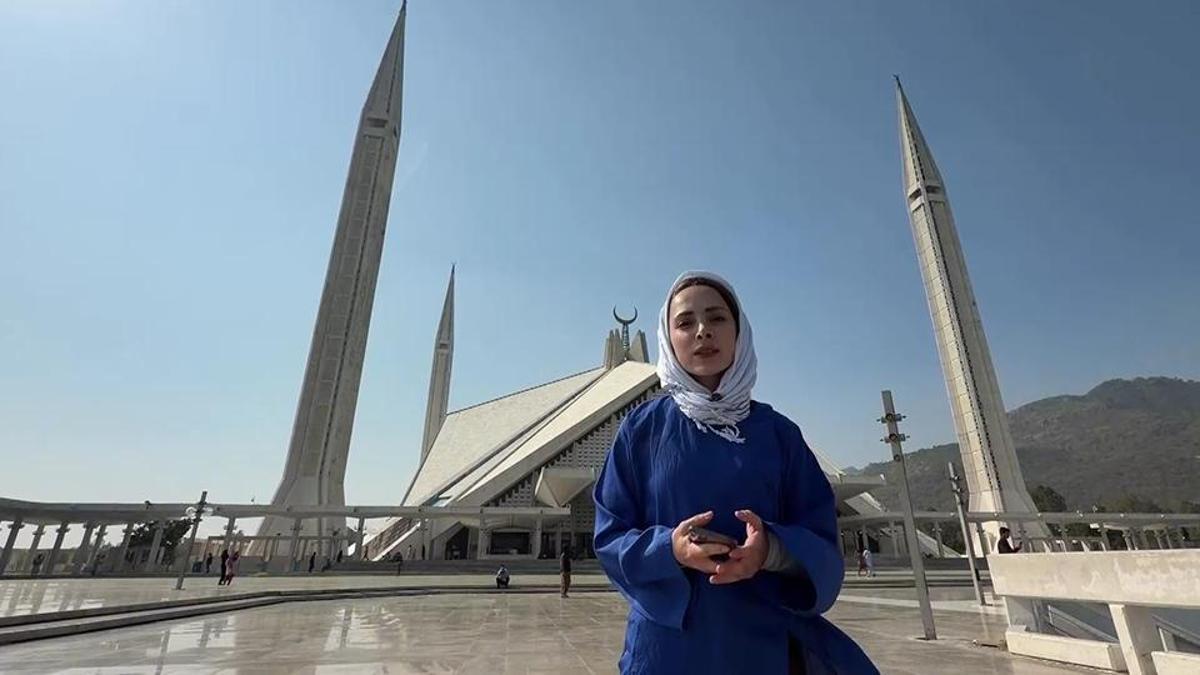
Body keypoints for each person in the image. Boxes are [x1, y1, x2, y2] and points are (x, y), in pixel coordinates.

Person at [593, 271, 877, 674]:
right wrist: (669, 550)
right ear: (667, 338)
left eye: (716, 318)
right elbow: (610, 535)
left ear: (739, 331)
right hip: (667, 648)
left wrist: (770, 550)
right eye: (685, 322)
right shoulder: (642, 431)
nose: (702, 331)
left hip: (761, 645)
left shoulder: (779, 435)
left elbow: (821, 538)